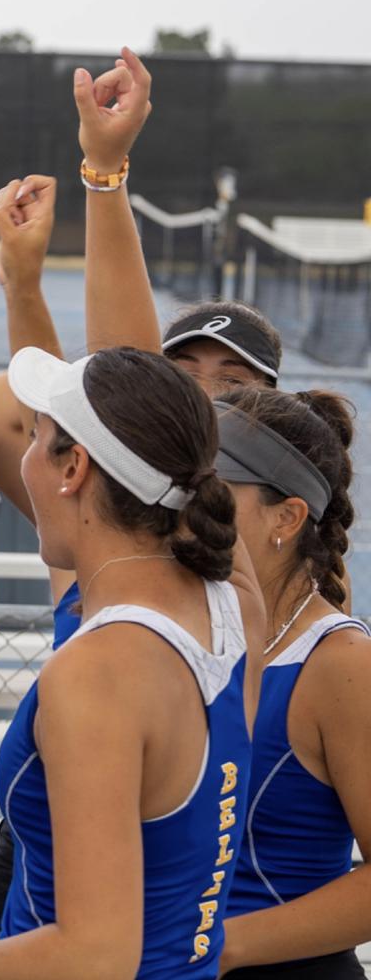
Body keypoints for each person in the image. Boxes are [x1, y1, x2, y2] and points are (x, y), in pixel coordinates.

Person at [0, 49, 284, 943]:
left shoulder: (113, 650)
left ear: (77, 469)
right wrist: (74, 209)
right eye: (191, 374)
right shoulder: (223, 596)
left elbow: (94, 954)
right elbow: (110, 391)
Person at [0, 345, 264, 980]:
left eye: (34, 437)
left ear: (73, 467)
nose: (24, 461)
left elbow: (96, 955)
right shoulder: (233, 606)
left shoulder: (98, 672)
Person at [211, 388, 371, 979]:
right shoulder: (188, 633)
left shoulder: (341, 663)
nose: (182, 506)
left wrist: (220, 945)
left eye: (214, 491)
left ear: (287, 516)